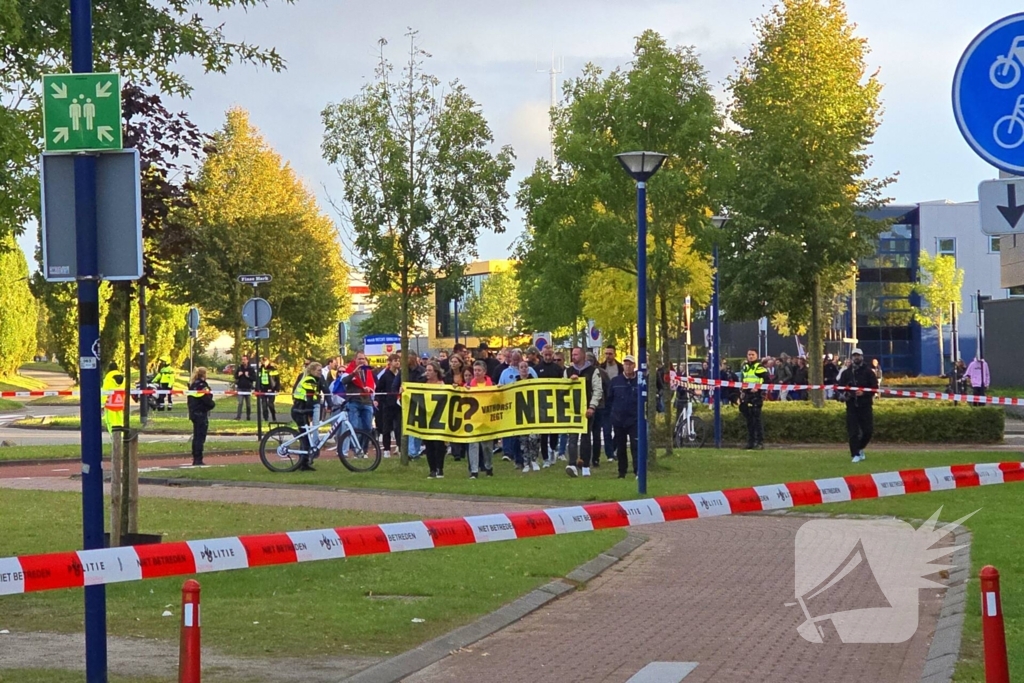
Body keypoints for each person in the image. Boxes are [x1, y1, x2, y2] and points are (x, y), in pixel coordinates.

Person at [563, 347, 603, 478]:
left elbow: (598, 390)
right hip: (572, 409)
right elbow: (561, 389)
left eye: (576, 354)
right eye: (572, 354)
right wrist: (570, 382)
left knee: (586, 437)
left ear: (583, 356)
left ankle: (586, 465)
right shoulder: (567, 371)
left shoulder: (593, 371)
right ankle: (572, 464)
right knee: (572, 437)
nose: (573, 356)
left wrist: (592, 406)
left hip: (587, 409)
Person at [836, 348, 878, 463]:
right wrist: (844, 395)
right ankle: (855, 454)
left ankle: (860, 448)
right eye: (854, 355)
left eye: (858, 355)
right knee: (853, 432)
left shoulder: (869, 372)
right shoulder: (846, 373)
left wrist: (864, 393)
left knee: (868, 431)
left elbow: (875, 388)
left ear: (862, 357)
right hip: (851, 406)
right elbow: (840, 388)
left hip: (865, 405)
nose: (856, 358)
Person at [607, 354, 640, 479]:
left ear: (634, 366)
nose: (628, 366)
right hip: (618, 420)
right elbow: (609, 399)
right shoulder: (616, 381)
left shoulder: (639, 381)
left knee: (635, 446)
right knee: (620, 448)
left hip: (634, 419)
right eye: (625, 364)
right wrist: (612, 415)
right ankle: (622, 472)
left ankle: (637, 471)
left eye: (630, 364)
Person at [291, 362, 323, 470]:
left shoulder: (312, 380)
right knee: (304, 437)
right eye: (319, 370)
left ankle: (304, 463)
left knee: (306, 436)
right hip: (299, 410)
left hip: (301, 409)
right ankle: (303, 463)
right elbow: (310, 399)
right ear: (312, 371)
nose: (321, 372)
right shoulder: (310, 380)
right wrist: (310, 412)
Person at [513, 360, 543, 472]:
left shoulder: (534, 381)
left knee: (534, 438)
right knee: (523, 439)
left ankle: (534, 460)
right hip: (521, 414)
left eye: (526, 366)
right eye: (522, 367)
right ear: (518, 369)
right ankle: (526, 462)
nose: (524, 369)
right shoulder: (515, 383)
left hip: (533, 413)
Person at [342, 352, 376, 451]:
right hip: (354, 401)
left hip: (367, 401)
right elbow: (343, 381)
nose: (362, 361)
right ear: (355, 360)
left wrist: (369, 389)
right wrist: (353, 373)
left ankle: (364, 449)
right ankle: (357, 449)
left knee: (368, 427)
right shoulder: (349, 370)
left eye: (363, 359)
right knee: (355, 427)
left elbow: (373, 385)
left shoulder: (368, 371)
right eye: (359, 359)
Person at [466, 360, 494, 478]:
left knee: (487, 446)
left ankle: (488, 466)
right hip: (473, 419)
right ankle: (474, 470)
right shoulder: (469, 386)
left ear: (484, 372)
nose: (476, 373)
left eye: (479, 370)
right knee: (473, 444)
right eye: (475, 370)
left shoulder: (491, 386)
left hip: (486, 420)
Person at [738, 349, 769, 450]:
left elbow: (767, 380)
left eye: (752, 355)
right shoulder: (746, 367)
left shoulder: (759, 367)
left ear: (757, 356)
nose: (750, 356)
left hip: (756, 396)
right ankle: (750, 442)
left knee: (757, 420)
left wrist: (758, 388)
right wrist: (742, 391)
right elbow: (744, 380)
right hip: (747, 395)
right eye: (749, 355)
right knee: (749, 420)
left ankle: (760, 442)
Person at [422, 361, 447, 478]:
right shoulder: (422, 383)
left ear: (436, 372)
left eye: (430, 370)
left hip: (439, 418)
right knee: (429, 444)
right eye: (426, 370)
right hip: (426, 418)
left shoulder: (442, 384)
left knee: (439, 445)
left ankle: (439, 468)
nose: (427, 373)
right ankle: (432, 469)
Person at [187, 367, 216, 466]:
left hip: (193, 413)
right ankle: (198, 459)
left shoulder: (193, 385)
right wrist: (212, 404)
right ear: (204, 375)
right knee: (200, 437)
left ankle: (196, 457)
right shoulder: (202, 386)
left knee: (196, 436)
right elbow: (207, 399)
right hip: (201, 414)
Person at [377, 353, 403, 456]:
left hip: (399, 405)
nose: (397, 362)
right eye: (395, 360)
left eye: (398, 360)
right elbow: (379, 390)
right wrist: (384, 401)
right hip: (388, 406)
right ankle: (387, 449)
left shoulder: (401, 374)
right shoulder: (384, 376)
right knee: (386, 428)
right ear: (390, 362)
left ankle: (400, 447)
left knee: (398, 428)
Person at [102, 362, 125, 434]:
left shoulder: (108, 378)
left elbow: (105, 392)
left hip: (110, 404)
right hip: (120, 403)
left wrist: (102, 404)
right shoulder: (122, 378)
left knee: (110, 422)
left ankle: (114, 438)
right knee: (120, 421)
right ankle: (121, 436)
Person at [258, 356, 281, 422]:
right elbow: (258, 380)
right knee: (264, 405)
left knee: (270, 404)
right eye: (263, 361)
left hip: (271, 389)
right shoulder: (260, 369)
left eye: (265, 361)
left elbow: (277, 380)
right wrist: (257, 389)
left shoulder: (273, 369)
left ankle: (273, 416)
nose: (264, 362)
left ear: (268, 361)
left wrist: (277, 389)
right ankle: (266, 419)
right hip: (263, 389)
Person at [234, 355, 256, 420]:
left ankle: (248, 416)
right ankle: (238, 416)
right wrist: (238, 375)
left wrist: (248, 376)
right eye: (242, 360)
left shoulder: (251, 369)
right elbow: (235, 376)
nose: (243, 361)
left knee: (248, 404)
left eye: (244, 359)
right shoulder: (239, 368)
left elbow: (254, 378)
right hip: (240, 388)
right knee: (240, 403)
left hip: (248, 388)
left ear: (247, 360)